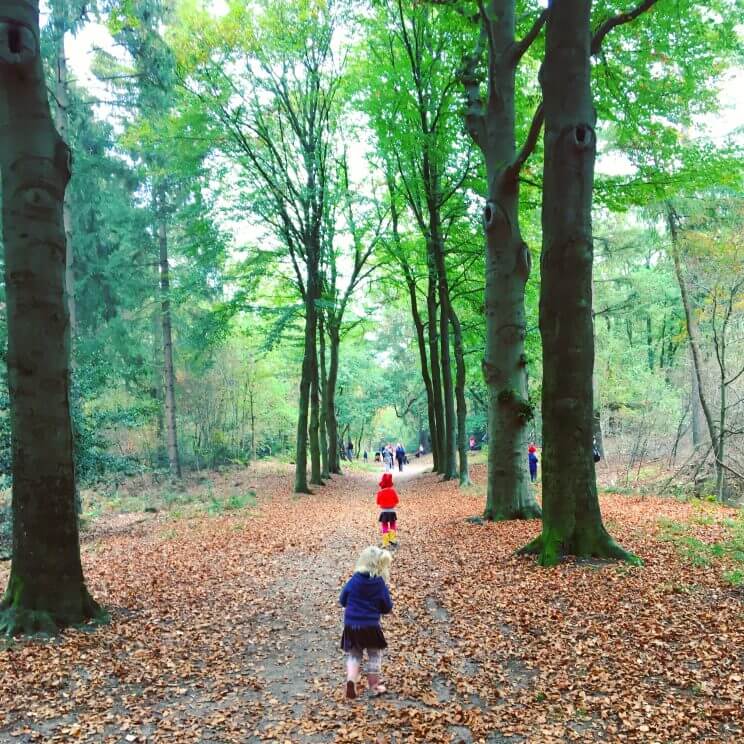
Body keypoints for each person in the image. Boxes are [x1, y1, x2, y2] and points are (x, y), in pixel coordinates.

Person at [339, 546, 393, 699]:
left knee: (355, 654)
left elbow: (342, 599)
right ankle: (374, 685)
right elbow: (386, 606)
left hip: (352, 625)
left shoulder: (354, 580)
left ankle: (351, 680)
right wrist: (383, 609)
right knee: (374, 654)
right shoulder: (379, 583)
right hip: (370, 627)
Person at [376, 472, 399, 548]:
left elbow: (378, 502)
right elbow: (397, 501)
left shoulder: (380, 492)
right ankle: (392, 539)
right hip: (392, 511)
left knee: (384, 525)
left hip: (384, 512)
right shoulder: (393, 491)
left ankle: (385, 542)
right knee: (393, 524)